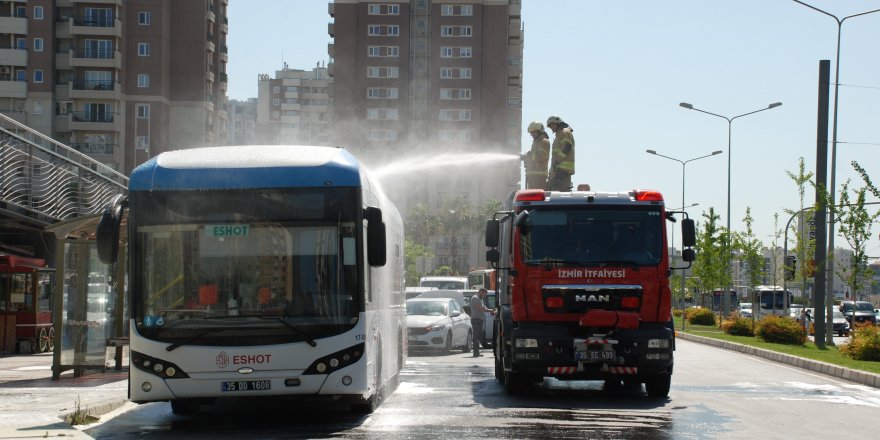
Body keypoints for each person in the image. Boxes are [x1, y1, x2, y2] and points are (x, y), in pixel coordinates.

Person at [546, 115, 575, 191]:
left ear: (558, 123)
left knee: (560, 193)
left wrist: (558, 160)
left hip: (563, 169)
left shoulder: (565, 132)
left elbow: (567, 146)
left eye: (552, 125)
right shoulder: (558, 135)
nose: (551, 128)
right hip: (558, 168)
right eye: (550, 126)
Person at [522, 121, 550, 189]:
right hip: (533, 176)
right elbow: (534, 157)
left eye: (533, 132)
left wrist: (528, 156)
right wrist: (526, 157)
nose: (531, 134)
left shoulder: (543, 141)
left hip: (539, 176)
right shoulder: (536, 143)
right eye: (531, 132)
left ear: (539, 131)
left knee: (537, 198)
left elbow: (542, 157)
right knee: (531, 198)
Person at [470, 288, 494, 357]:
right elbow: (481, 308)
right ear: (480, 292)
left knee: (478, 335)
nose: (484, 296)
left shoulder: (480, 299)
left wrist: (489, 309)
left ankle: (477, 351)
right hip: (475, 319)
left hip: (479, 319)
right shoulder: (475, 298)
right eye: (484, 294)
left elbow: (484, 307)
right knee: (476, 335)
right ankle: (475, 352)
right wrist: (490, 310)